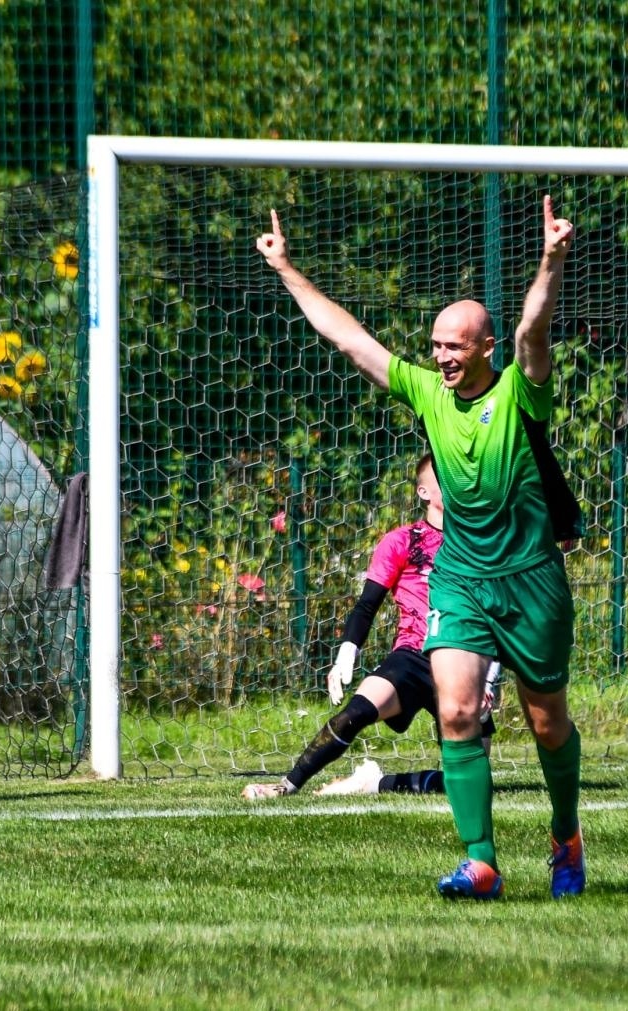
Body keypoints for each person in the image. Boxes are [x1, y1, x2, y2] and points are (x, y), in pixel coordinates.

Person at [257, 198, 585, 900]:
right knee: (459, 710)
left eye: (454, 345)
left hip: (532, 581)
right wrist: (286, 268)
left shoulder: (523, 395)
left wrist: (551, 259)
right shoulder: (429, 395)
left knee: (546, 721)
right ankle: (482, 861)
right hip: (462, 578)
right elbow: (352, 340)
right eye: (435, 344)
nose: (440, 355)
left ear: (484, 349)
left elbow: (534, 328)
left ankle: (566, 834)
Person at [241, 453, 502, 800]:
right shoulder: (402, 541)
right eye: (445, 478)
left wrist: (489, 677)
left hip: (462, 661)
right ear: (424, 492)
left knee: (472, 782)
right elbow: (367, 604)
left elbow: (497, 614)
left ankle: (372, 783)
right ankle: (285, 786)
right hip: (413, 655)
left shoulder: (480, 545)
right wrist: (345, 654)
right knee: (357, 711)